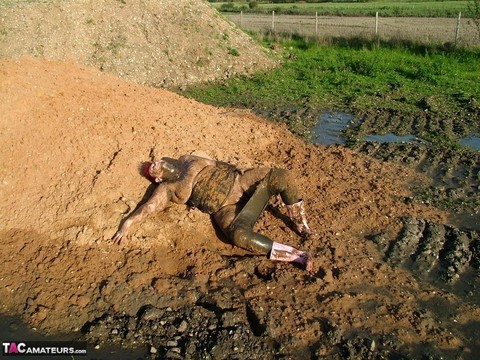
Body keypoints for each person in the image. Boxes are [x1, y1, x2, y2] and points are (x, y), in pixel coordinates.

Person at [113, 153, 315, 271]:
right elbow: (150, 207)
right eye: (151, 169)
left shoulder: (186, 159)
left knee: (282, 176)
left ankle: (300, 224)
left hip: (238, 182)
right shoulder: (168, 188)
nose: (154, 164)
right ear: (157, 178)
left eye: (153, 161)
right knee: (239, 236)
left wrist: (243, 170)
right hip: (223, 208)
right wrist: (129, 222)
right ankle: (294, 255)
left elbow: (218, 163)